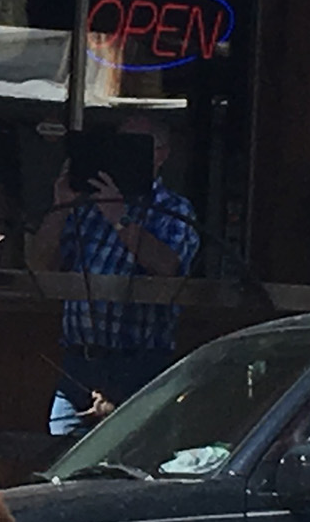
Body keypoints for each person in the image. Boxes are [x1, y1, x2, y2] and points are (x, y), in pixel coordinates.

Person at [28, 118, 202, 434]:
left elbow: (168, 266)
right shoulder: (86, 209)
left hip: (139, 365)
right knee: (59, 463)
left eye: (134, 147)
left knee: (131, 460)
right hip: (79, 362)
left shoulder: (175, 209)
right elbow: (40, 264)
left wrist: (120, 219)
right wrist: (62, 205)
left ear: (161, 154)